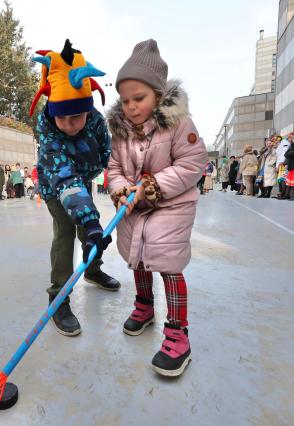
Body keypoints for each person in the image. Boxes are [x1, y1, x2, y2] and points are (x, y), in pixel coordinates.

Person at [108, 39, 207, 377]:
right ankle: (144, 306)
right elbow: (114, 169)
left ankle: (178, 334)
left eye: (139, 98)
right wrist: (122, 191)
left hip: (171, 205)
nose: (131, 107)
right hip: (133, 208)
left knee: (167, 263)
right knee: (137, 256)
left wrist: (150, 187)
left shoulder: (179, 124)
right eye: (125, 100)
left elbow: (192, 164)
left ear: (159, 95)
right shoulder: (121, 132)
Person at [31, 39, 120, 337]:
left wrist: (125, 180)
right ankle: (59, 298)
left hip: (82, 180)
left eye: (77, 116)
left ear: (88, 109)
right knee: (69, 230)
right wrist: (91, 220)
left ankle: (92, 271)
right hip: (57, 184)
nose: (70, 124)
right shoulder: (48, 132)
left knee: (89, 231)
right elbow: (65, 179)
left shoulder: (95, 121)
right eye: (63, 117)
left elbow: (111, 156)